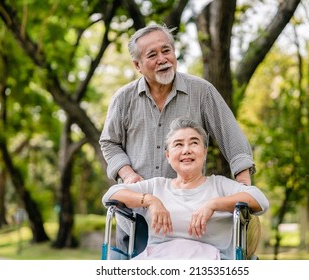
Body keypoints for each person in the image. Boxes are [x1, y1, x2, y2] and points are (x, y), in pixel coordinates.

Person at [99, 23, 255, 186]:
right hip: (136, 201)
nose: (162, 59)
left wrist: (243, 182)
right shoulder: (123, 99)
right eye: (152, 55)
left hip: (188, 203)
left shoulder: (202, 92)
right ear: (138, 65)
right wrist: (128, 174)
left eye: (166, 51)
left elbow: (232, 137)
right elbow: (109, 143)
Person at [102, 118, 269, 260]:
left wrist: (214, 204)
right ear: (168, 155)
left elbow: (260, 200)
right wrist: (151, 201)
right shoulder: (157, 186)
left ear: (204, 152)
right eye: (178, 144)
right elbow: (111, 195)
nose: (186, 150)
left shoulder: (220, 185)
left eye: (194, 143)